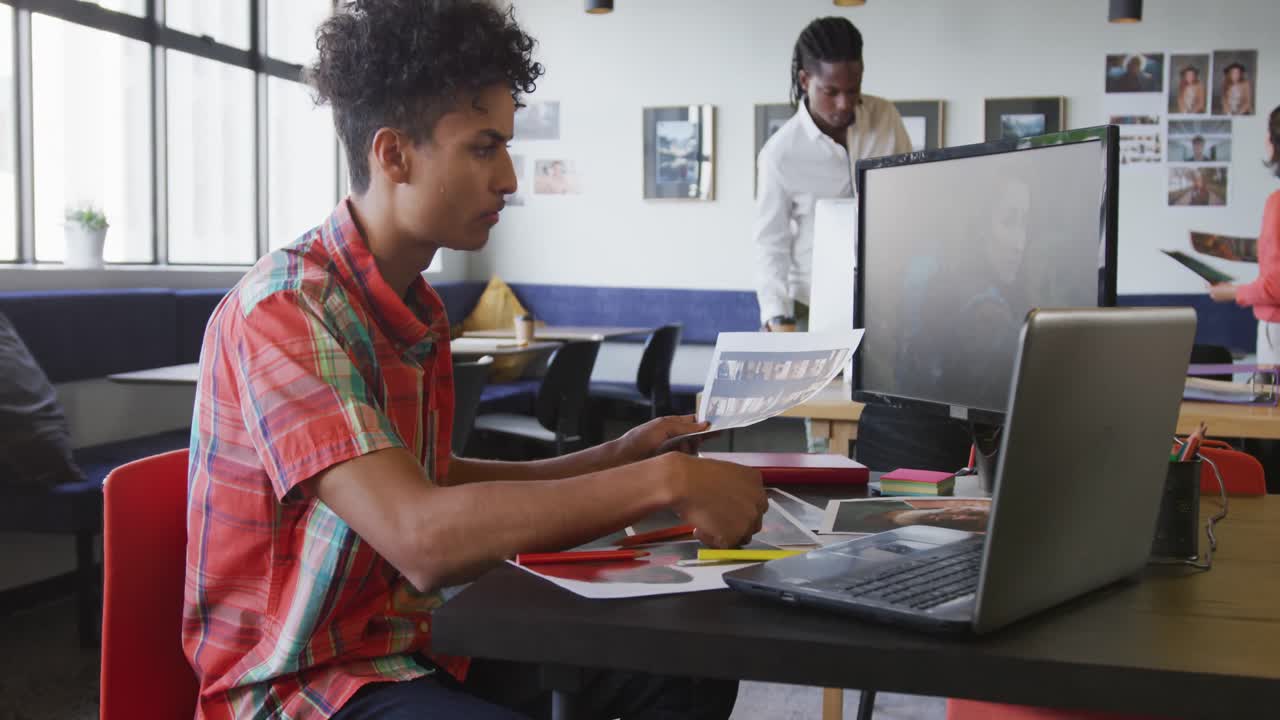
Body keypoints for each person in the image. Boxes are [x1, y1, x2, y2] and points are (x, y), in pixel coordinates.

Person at [182, 2, 766, 719]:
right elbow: (422, 536)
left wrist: (618, 456)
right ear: (393, 154)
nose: (511, 179)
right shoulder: (285, 310)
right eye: (485, 148)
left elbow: (435, 479)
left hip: (416, 641)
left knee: (688, 662)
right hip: (305, 682)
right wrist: (661, 481)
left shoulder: (415, 306)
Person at [753, 16, 970, 470]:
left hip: (890, 298)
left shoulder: (884, 116)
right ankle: (827, 507)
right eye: (831, 92)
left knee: (889, 418)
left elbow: (912, 193)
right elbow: (770, 243)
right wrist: (777, 319)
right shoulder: (780, 153)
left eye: (853, 89)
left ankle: (880, 505)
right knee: (826, 427)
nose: (845, 103)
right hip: (815, 305)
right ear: (804, 80)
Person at [1210, 105, 1280, 363]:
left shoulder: (1277, 204)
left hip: (1277, 332)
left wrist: (1230, 292)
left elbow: (1275, 287)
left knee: (1268, 403)